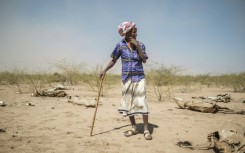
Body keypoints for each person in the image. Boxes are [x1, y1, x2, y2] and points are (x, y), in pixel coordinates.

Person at [99, 21, 152, 140]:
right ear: (126, 32)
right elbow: (114, 60)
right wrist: (104, 70)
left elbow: (144, 60)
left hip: (139, 78)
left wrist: (137, 46)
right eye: (133, 31)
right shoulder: (120, 45)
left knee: (142, 101)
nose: (136, 33)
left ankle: (146, 129)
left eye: (136, 31)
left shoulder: (141, 45)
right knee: (128, 103)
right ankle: (134, 128)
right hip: (126, 78)